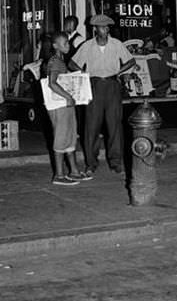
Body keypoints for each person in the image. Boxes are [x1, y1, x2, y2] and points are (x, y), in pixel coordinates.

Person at [69, 14, 136, 175]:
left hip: (113, 85)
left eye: (107, 27)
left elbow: (131, 61)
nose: (105, 29)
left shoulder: (116, 44)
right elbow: (71, 63)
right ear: (95, 29)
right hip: (94, 86)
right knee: (91, 125)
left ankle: (116, 161)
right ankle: (91, 163)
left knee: (114, 125)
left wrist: (118, 72)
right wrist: (84, 74)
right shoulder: (87, 46)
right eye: (102, 27)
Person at [46, 32, 92, 185]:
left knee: (70, 136)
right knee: (61, 138)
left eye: (68, 43)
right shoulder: (55, 62)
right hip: (60, 105)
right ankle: (59, 175)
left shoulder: (61, 60)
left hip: (66, 105)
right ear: (55, 46)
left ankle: (74, 171)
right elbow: (52, 83)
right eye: (65, 43)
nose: (68, 45)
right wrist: (68, 96)